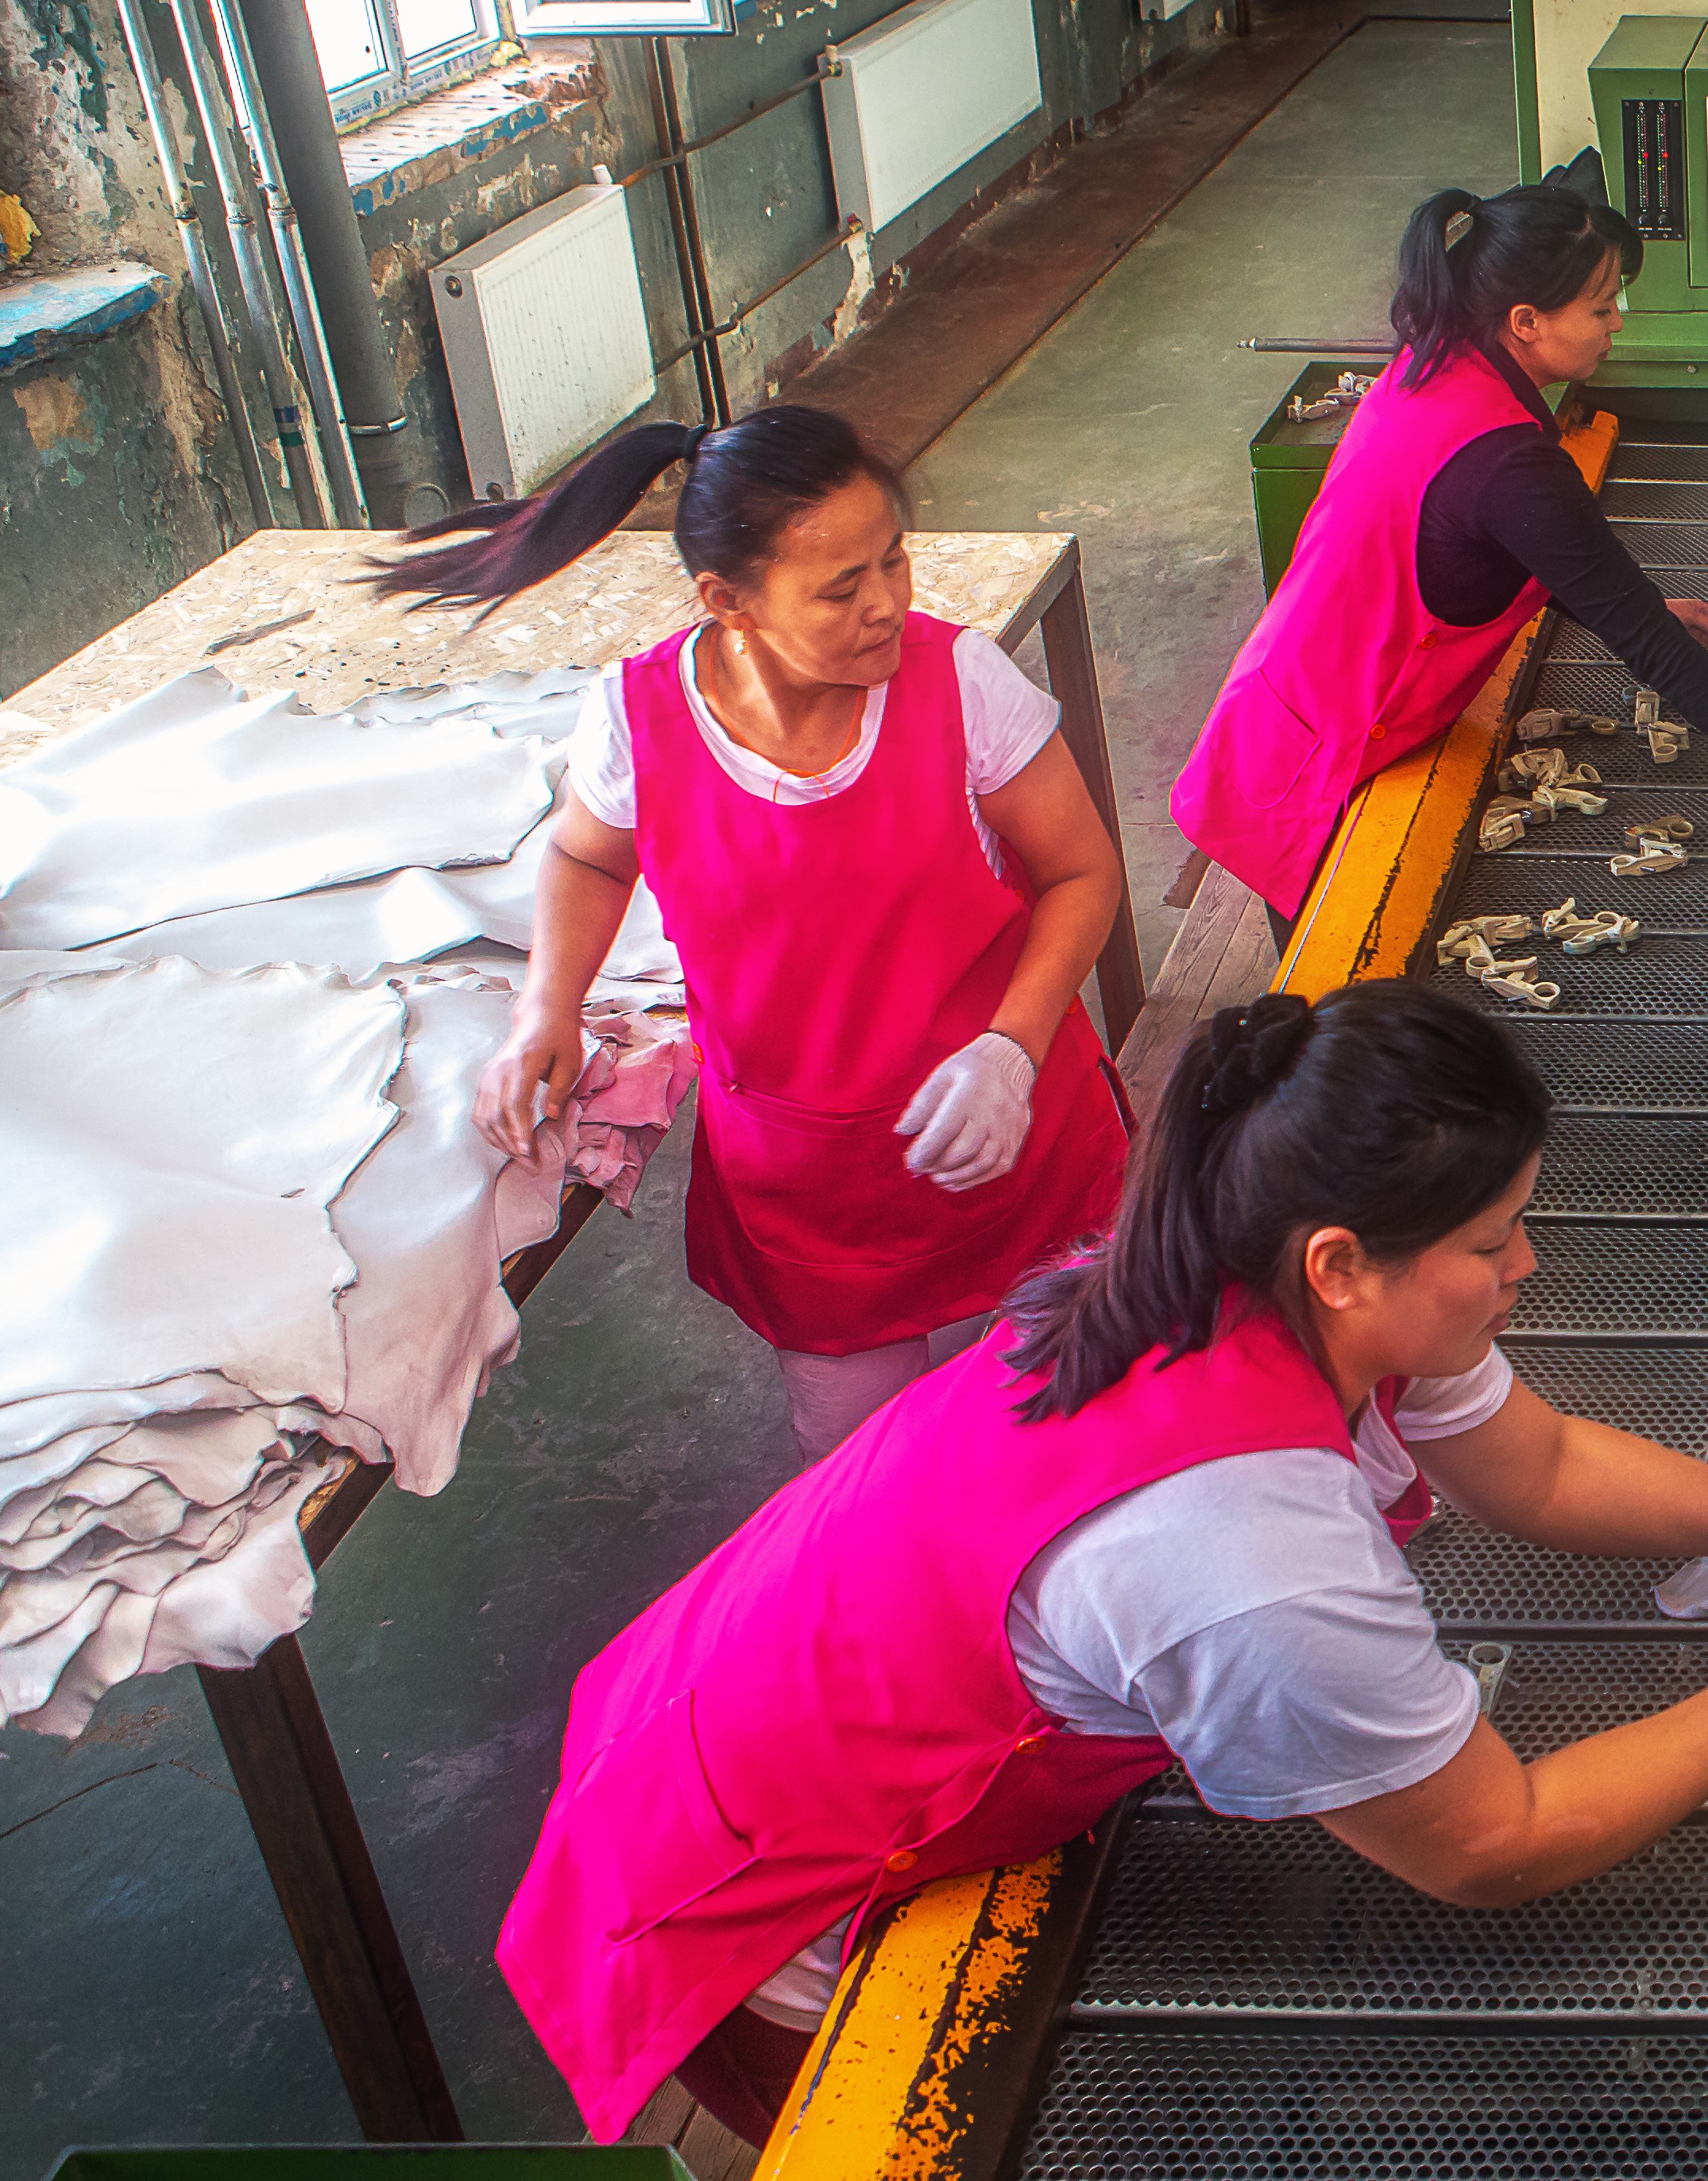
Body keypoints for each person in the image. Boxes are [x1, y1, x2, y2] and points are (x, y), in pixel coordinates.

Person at [497, 981, 1708, 2143]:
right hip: (763, 1877)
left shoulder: (1255, 1257)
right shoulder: (1242, 1549)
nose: (1526, 1268)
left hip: (776, 1663)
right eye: (1494, 1242)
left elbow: (1535, 1462)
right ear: (1343, 1261)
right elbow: (1489, 1841)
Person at [369, 407, 1134, 1463]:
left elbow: (1082, 871)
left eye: (893, 562)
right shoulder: (640, 719)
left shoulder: (959, 683)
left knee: (1081, 1435)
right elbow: (590, 856)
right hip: (815, 1188)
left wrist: (1012, 1044)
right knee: (867, 1479)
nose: (887, 605)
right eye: (839, 588)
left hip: (1018, 1132)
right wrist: (545, 1008)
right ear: (726, 601)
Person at [1179, 180, 1708, 916]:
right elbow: (1649, 648)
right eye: (1600, 306)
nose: (1616, 323)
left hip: (1283, 702)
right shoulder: (1509, 464)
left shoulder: (1437, 358)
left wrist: (1636, 602)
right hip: (1327, 762)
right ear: (1526, 321)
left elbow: (1474, 540)